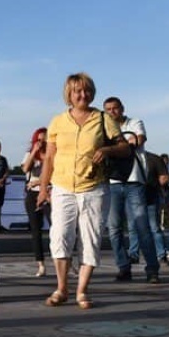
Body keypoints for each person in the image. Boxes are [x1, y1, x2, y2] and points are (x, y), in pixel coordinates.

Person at [36, 73, 129, 310]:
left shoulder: (102, 118)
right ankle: (61, 288)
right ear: (69, 94)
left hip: (94, 188)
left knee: (91, 238)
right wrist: (43, 188)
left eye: (87, 90)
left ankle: (82, 290)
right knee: (60, 236)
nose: (83, 95)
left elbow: (125, 147)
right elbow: (49, 157)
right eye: (77, 91)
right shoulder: (57, 121)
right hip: (62, 186)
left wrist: (107, 150)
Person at [102, 96, 161, 284]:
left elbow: (138, 140)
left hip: (134, 181)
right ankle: (123, 267)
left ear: (122, 109)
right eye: (108, 110)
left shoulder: (134, 123)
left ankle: (152, 269)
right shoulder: (104, 129)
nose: (112, 112)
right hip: (113, 182)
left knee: (142, 226)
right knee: (114, 228)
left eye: (115, 108)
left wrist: (117, 148)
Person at [22, 127, 51, 276]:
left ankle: (66, 261)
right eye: (38, 140)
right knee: (35, 230)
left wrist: (38, 182)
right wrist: (34, 151)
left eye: (44, 139)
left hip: (48, 192)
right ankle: (41, 264)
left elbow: (54, 174)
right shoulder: (30, 154)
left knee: (57, 228)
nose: (41, 142)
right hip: (32, 194)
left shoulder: (52, 154)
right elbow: (25, 169)